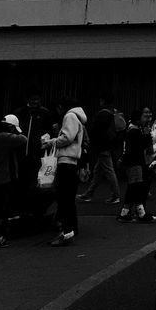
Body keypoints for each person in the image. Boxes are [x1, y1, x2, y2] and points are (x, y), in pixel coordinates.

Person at [0, 114, 27, 247]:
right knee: (0, 209)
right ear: (10, 127)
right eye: (14, 129)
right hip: (3, 177)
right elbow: (23, 139)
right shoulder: (4, 136)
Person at [50, 99, 88, 245]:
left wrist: (52, 141)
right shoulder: (78, 118)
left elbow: (67, 137)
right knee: (68, 197)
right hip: (73, 162)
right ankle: (71, 228)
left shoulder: (69, 116)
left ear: (61, 106)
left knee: (63, 197)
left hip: (66, 161)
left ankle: (66, 232)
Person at [78, 95, 122, 206]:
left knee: (109, 170)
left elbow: (95, 130)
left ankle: (116, 196)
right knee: (98, 172)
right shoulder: (113, 112)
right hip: (109, 145)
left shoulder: (102, 113)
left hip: (102, 147)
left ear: (102, 100)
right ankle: (88, 194)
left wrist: (91, 143)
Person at [118, 107, 156, 223]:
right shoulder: (135, 131)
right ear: (138, 119)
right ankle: (141, 213)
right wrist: (146, 136)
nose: (145, 119)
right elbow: (139, 147)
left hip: (133, 163)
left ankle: (125, 213)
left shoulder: (132, 129)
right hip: (135, 163)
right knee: (136, 188)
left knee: (132, 188)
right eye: (143, 117)